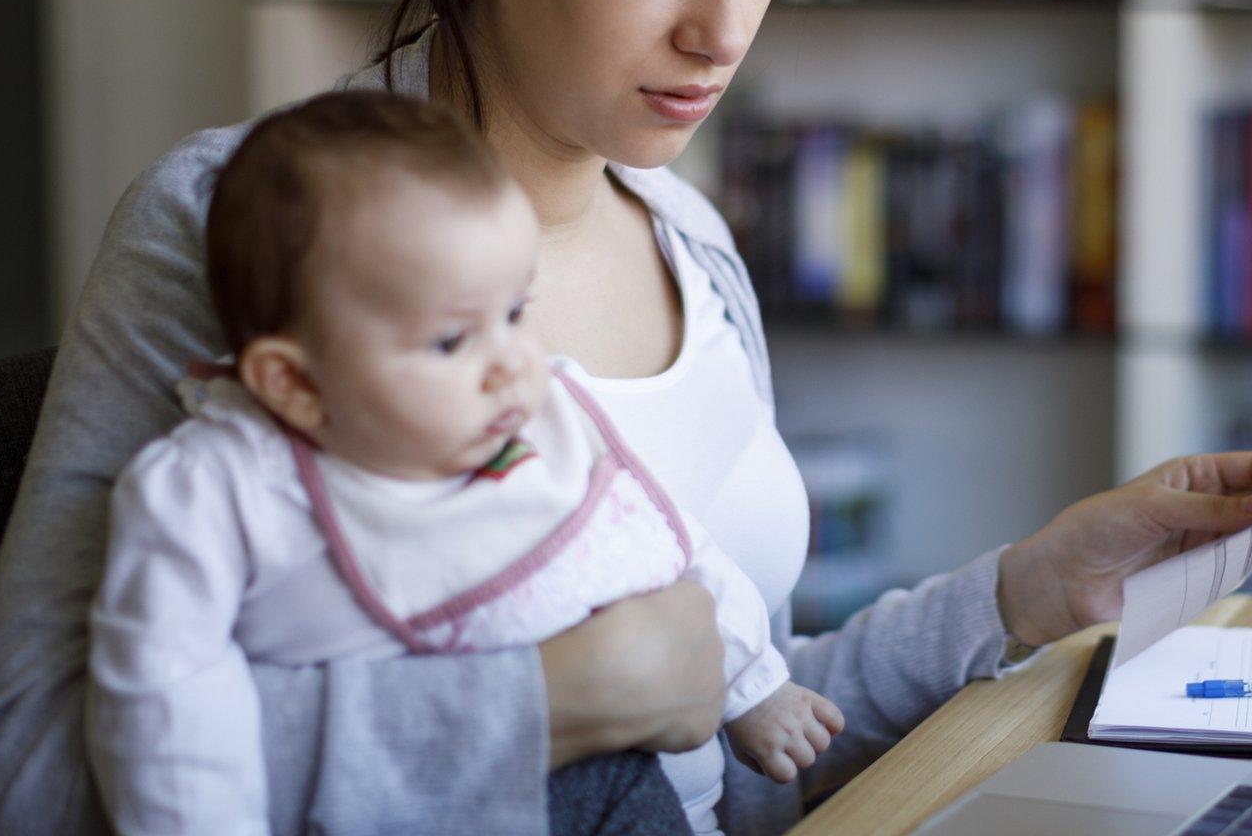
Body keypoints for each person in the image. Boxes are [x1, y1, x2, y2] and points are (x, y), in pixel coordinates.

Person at [0, 0, 1252, 833]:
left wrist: (1024, 591)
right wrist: (551, 704)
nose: (725, 30)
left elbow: (735, 731)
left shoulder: (690, 234)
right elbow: (34, 778)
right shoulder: (239, 221)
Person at [86, 92, 840, 836]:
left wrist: (754, 685)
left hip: (612, 795)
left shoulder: (541, 419)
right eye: (451, 341)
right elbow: (164, 709)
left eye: (516, 313)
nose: (513, 363)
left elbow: (665, 546)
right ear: (296, 384)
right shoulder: (214, 491)